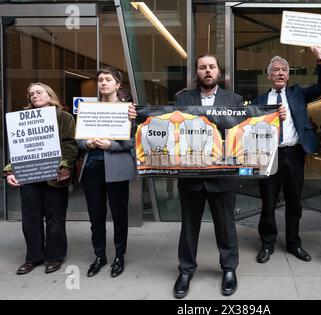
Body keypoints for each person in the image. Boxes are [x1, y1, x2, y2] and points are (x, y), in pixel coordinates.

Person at [129, 54, 247, 298]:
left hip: (223, 176)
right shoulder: (183, 98)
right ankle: (185, 270)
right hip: (191, 175)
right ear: (197, 73)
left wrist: (276, 118)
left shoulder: (234, 99)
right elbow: (167, 124)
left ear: (218, 72)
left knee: (226, 226)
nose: (207, 71)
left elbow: (245, 128)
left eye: (211, 67)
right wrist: (137, 117)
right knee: (189, 227)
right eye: (202, 67)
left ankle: (228, 269)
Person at [252, 46, 321, 264]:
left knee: (294, 201)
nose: (280, 73)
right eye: (275, 70)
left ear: (288, 75)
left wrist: (320, 59)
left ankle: (294, 243)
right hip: (269, 157)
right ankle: (267, 243)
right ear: (269, 75)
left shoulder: (297, 94)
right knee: (268, 201)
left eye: (283, 70)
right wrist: (270, 115)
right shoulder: (259, 101)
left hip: (294, 153)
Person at [3, 82, 78, 275]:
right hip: (29, 176)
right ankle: (33, 257)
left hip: (55, 175)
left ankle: (54, 257)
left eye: (39, 92)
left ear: (49, 94)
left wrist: (66, 167)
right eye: (31, 94)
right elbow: (19, 149)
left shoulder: (64, 117)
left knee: (55, 219)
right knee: (30, 219)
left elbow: (69, 145)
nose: (34, 96)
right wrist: (10, 171)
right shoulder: (22, 119)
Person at [77, 66, 136, 278]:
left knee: (119, 216)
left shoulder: (128, 110)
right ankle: (99, 256)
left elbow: (132, 142)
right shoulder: (89, 109)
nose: (103, 83)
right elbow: (79, 139)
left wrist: (111, 145)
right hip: (92, 167)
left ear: (117, 84)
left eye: (108, 79)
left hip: (116, 169)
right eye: (100, 79)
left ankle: (120, 255)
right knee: (96, 216)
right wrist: (88, 143)